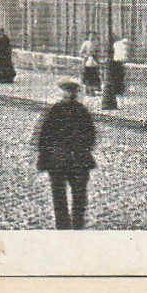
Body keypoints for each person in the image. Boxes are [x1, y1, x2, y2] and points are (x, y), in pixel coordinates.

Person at [35, 77, 98, 229]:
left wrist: (44, 156)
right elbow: (91, 136)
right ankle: (76, 224)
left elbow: (43, 137)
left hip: (59, 160)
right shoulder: (82, 111)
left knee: (60, 195)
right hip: (76, 160)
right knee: (78, 195)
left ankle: (64, 225)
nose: (68, 95)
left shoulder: (55, 110)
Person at [112, 36, 129, 100]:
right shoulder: (124, 46)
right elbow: (125, 55)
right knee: (120, 77)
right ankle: (119, 90)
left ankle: (117, 90)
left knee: (117, 77)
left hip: (116, 61)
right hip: (120, 62)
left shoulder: (116, 44)